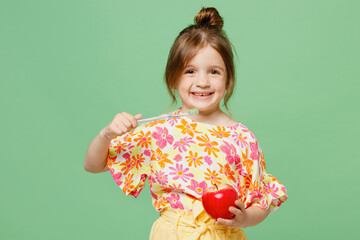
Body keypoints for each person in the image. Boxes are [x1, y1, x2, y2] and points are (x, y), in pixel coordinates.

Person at [84, 7, 288, 240]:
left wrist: (244, 219)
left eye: (214, 72)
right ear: (173, 78)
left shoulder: (241, 137)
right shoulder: (160, 131)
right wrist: (106, 134)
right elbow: (93, 165)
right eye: (190, 71)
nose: (202, 82)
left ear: (229, 80)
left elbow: (263, 201)